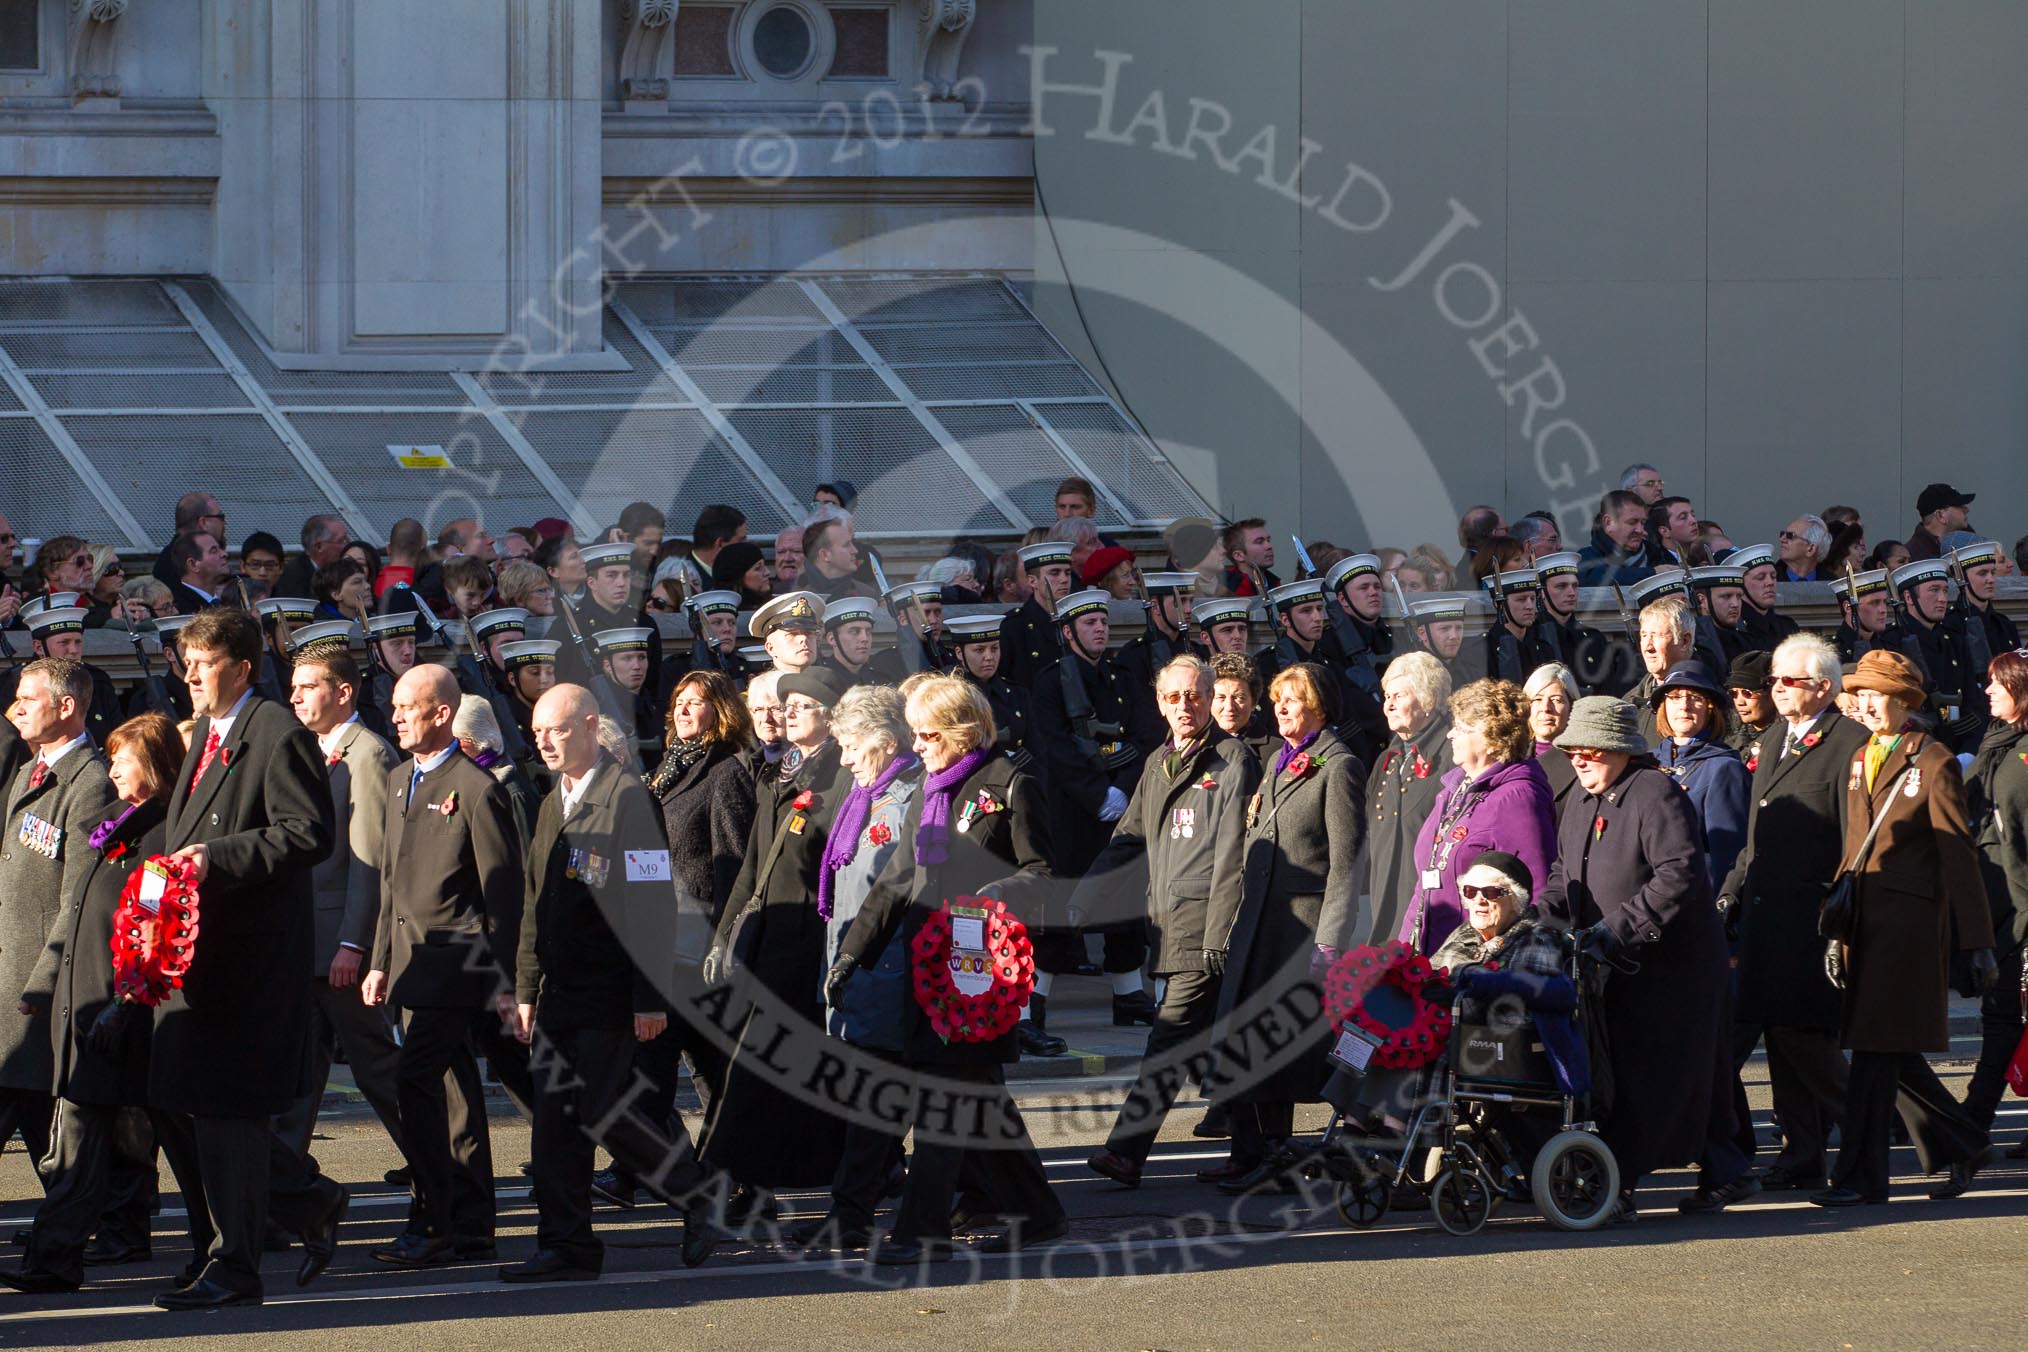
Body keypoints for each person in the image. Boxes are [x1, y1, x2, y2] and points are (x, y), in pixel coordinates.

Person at [827, 674, 1066, 1261]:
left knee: (945, 1096)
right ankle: (1038, 1213)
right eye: (914, 734)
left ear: (963, 731)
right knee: (975, 1095)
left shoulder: (1011, 781)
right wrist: (852, 953)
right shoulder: (931, 788)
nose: (919, 745)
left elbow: (1042, 873)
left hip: (977, 970)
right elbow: (897, 880)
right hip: (925, 968)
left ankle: (922, 1233)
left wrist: (990, 895)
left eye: (928, 734)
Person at [148, 607, 346, 1308]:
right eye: (185, 662)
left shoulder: (275, 732)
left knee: (229, 1114)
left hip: (249, 964)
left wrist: (216, 857)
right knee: (195, 1105)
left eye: (202, 664)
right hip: (201, 959)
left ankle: (236, 1266)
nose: (190, 675)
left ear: (239, 667)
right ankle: (302, 1203)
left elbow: (307, 832)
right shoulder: (205, 733)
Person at [509, 683, 717, 1279]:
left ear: (590, 726)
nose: (544, 740)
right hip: (558, 995)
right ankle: (566, 1246)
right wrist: (525, 990)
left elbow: (652, 906)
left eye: (558, 729)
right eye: (538, 731)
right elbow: (534, 904)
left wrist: (649, 997)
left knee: (602, 1110)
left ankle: (698, 1192)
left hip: (609, 990)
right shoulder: (555, 801)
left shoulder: (627, 798)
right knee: (555, 1125)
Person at [1539, 696, 1752, 1219]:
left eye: (1590, 751)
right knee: (1662, 1074)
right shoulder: (1581, 801)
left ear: (1620, 750)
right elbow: (1562, 876)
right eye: (1572, 752)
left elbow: (1679, 873)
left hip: (1669, 966)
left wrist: (1617, 929)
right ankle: (1722, 1169)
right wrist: (1530, 920)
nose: (1579, 761)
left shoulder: (1654, 791)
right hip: (1611, 964)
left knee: (1668, 1073)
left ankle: (1629, 1182)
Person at [0, 711, 178, 1293]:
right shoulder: (120, 820)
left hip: (121, 1003)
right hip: (96, 996)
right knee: (83, 1129)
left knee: (180, 1135)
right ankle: (59, 1258)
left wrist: (122, 998)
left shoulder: (157, 835)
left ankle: (295, 1205)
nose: (113, 767)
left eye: (122, 757)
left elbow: (148, 925)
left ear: (149, 767)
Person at [1814, 650, 1997, 1207]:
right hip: (1863, 928)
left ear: (1905, 702)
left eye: (1877, 695)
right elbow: (1854, 844)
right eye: (1859, 693)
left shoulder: (1934, 761)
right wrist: (1835, 929)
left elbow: (1958, 854)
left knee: (1872, 1052)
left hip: (1910, 933)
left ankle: (1860, 1181)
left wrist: (1979, 943)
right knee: (1889, 1054)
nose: (1865, 704)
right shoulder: (1859, 756)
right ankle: (1967, 1143)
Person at [362, 665, 524, 1266]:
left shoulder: (477, 788)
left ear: (441, 714)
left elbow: (502, 898)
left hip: (457, 968)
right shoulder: (403, 777)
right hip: (410, 964)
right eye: (395, 706)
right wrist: (379, 959)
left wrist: (505, 983)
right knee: (453, 1094)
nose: (397, 716)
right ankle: (470, 1220)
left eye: (409, 706)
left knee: (415, 1082)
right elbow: (390, 881)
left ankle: (433, 1217)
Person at [1079, 655, 1260, 1188]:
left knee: (1169, 1038)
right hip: (1167, 922)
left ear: (1208, 698)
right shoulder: (1159, 761)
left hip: (1206, 925)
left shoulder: (1232, 760)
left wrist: (1220, 933)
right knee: (1217, 1044)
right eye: (1172, 697)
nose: (1184, 706)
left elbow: (1233, 854)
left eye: (1194, 695)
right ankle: (1256, 1151)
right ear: (1159, 704)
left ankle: (1126, 1151)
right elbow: (1129, 837)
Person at [1207, 663, 1367, 1194]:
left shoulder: (1337, 765)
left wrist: (1330, 939)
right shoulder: (1279, 758)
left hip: (1300, 930)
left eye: (1292, 700)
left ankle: (1280, 1156)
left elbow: (1345, 862)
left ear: (1319, 705)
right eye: (1276, 699)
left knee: (1285, 1050)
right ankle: (1254, 1152)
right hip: (1261, 925)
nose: (1280, 708)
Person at [599, 671, 757, 1210]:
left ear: (722, 712)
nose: (686, 711)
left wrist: (724, 941)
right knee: (653, 1064)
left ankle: (741, 1182)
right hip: (661, 939)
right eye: (680, 702)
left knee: (711, 1071)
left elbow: (734, 864)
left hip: (700, 944)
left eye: (699, 703)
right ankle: (638, 1168)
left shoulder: (725, 772)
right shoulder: (665, 769)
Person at [1719, 632, 1869, 1192]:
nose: (1776, 690)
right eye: (1774, 680)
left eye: (1790, 681)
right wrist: (1731, 891)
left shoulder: (1850, 741)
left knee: (1805, 1038)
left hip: (1813, 919)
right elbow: (1757, 838)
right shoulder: (1779, 735)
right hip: (1765, 913)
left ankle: (1865, 1139)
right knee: (1782, 1043)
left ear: (1824, 688)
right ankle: (1803, 1153)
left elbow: (1855, 836)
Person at [701, 668, 851, 1216]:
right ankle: (756, 1178)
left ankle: (736, 1179)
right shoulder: (782, 771)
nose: (788, 715)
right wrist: (725, 934)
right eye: (786, 707)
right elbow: (752, 864)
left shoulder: (841, 777)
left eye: (803, 707)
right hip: (767, 936)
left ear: (831, 719)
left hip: (807, 941)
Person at [789, 684, 921, 1249]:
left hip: (888, 978)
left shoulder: (913, 799)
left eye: (849, 745)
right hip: (854, 975)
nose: (842, 759)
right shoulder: (864, 797)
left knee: (871, 1109)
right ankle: (1008, 1199)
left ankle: (850, 1217)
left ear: (886, 743)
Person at [272, 644, 406, 1173]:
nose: (294, 695)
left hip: (341, 947)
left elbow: (369, 857)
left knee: (379, 1068)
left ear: (343, 692)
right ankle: (280, 1193)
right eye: (294, 686)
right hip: (307, 941)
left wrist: (356, 943)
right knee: (296, 1076)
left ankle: (442, 1174)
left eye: (308, 686)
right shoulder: (309, 746)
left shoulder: (366, 753)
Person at [0, 659, 118, 1182]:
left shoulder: (89, 781)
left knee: (51, 1124)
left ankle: (86, 1227)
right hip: (10, 978)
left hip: (36, 986)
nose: (14, 709)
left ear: (66, 707)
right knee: (43, 1125)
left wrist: (45, 982)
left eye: (28, 699)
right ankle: (80, 1226)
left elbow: (78, 897)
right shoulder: (31, 768)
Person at [1030, 588, 1160, 1023]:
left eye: (1103, 621)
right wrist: (1096, 793)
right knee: (1062, 906)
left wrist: (1123, 790)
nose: (1100, 628)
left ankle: (1127, 996)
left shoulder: (1121, 677)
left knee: (1125, 903)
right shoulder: (1050, 682)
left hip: (1121, 808)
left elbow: (1145, 736)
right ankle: (1036, 1000)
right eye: (1089, 623)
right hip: (1071, 814)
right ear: (1067, 632)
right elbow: (1054, 747)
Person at [1399, 679, 1555, 954]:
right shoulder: (1454, 788)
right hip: (1431, 954)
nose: (1450, 735)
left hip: (1478, 964)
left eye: (1461, 728)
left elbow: (1536, 891)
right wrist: (1401, 951)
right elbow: (1425, 882)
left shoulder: (1517, 797)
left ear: (1493, 741)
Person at [1962, 649, 2028, 1152]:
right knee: (2002, 1020)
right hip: (2000, 904)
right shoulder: (2000, 744)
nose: (1987, 691)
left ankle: (1972, 1123)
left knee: (2002, 1023)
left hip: (2016, 914)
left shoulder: (2019, 762)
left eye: (1997, 684)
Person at [1363, 650, 1454, 947]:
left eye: (1398, 696)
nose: (1388, 705)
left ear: (1428, 698)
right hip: (1382, 902)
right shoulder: (1387, 760)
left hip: (1431, 907)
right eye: (1386, 696)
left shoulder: (1452, 754)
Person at [1650, 661, 1751, 889]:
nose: (1684, 706)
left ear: (1710, 707)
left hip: (1694, 901)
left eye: (1695, 697)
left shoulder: (1724, 769)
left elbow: (1728, 858)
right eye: (1674, 697)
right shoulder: (1646, 762)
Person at [1878, 557, 1982, 750]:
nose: (1942, 598)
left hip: (1959, 744)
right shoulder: (1892, 642)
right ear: (1909, 598)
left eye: (1944, 590)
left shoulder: (1955, 640)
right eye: (1934, 590)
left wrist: (1968, 753)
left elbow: (1973, 702)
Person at [1530, 550, 1624, 695]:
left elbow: (1609, 688)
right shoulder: (1531, 637)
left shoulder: (1593, 638)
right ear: (1542, 593)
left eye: (1574, 586)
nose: (1571, 592)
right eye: (1561, 586)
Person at [999, 541, 1076, 690]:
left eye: (1067, 573)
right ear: (1032, 581)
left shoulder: (1076, 621)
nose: (1064, 579)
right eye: (1054, 573)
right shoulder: (1013, 626)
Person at [1525, 662, 1580, 807]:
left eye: (1556, 700)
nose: (1545, 708)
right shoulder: (1513, 757)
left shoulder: (1583, 763)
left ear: (1572, 707)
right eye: (1537, 699)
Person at [1730, 544, 1800, 653]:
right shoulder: (1735, 630)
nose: (1770, 583)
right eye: (1760, 578)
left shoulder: (1787, 627)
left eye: (1773, 576)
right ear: (1740, 585)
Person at [1575, 490, 1654, 587]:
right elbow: (1600, 580)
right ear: (1608, 523)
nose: (1640, 530)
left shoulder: (1658, 555)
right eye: (1632, 522)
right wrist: (1654, 574)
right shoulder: (1586, 559)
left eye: (1643, 523)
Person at [1724, 651, 1777, 762]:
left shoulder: (1787, 742)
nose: (1739, 702)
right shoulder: (1729, 746)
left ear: (1773, 691)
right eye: (1733, 694)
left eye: (1747, 693)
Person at [1832, 567, 1891, 664]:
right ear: (1848, 607)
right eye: (1874, 603)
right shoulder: (1833, 653)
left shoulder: (1891, 645)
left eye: (1885, 602)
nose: (1883, 610)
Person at [1903, 482, 1974, 562]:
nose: (1967, 510)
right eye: (1959, 506)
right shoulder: (1911, 557)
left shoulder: (1970, 542)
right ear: (1940, 515)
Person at [1220, 519, 1281, 598]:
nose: (1269, 546)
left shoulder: (1274, 583)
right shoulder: (1228, 589)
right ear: (1239, 556)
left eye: (1268, 540)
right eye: (1259, 542)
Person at [1778, 516, 1830, 582]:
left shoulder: (1835, 587)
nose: (1782, 539)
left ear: (1811, 549)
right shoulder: (1767, 581)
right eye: (1782, 534)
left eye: (1790, 535)